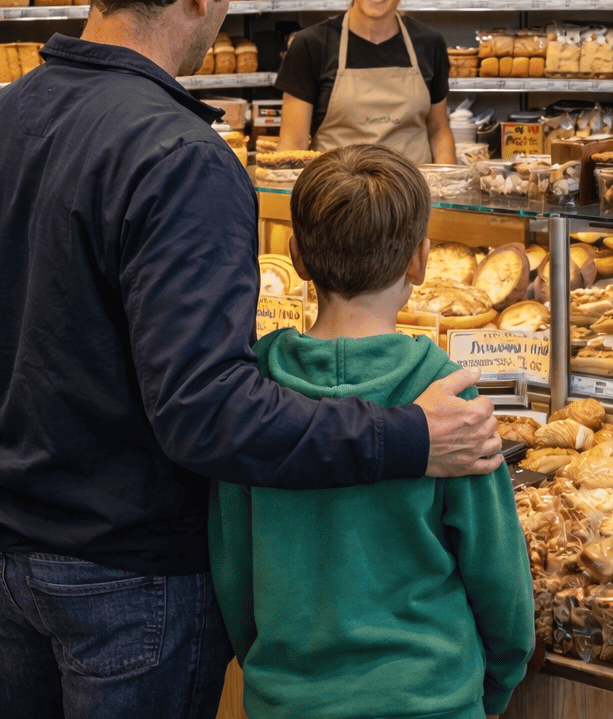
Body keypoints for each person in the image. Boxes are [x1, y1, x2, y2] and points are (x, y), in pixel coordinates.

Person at [0, 0, 501, 719]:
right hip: (128, 574)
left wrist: (62, 418)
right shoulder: (180, 156)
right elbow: (208, 416)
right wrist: (410, 440)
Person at [210, 143, 534, 719]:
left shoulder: (253, 388)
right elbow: (501, 583)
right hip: (433, 697)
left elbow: (232, 571)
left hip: (287, 700)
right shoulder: (448, 392)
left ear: (296, 257)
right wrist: (490, 687)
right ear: (421, 261)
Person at [275, 0, 455, 163]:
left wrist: (447, 186)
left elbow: (439, 129)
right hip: (337, 196)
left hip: (413, 195)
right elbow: (293, 143)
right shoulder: (311, 45)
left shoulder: (429, 43)